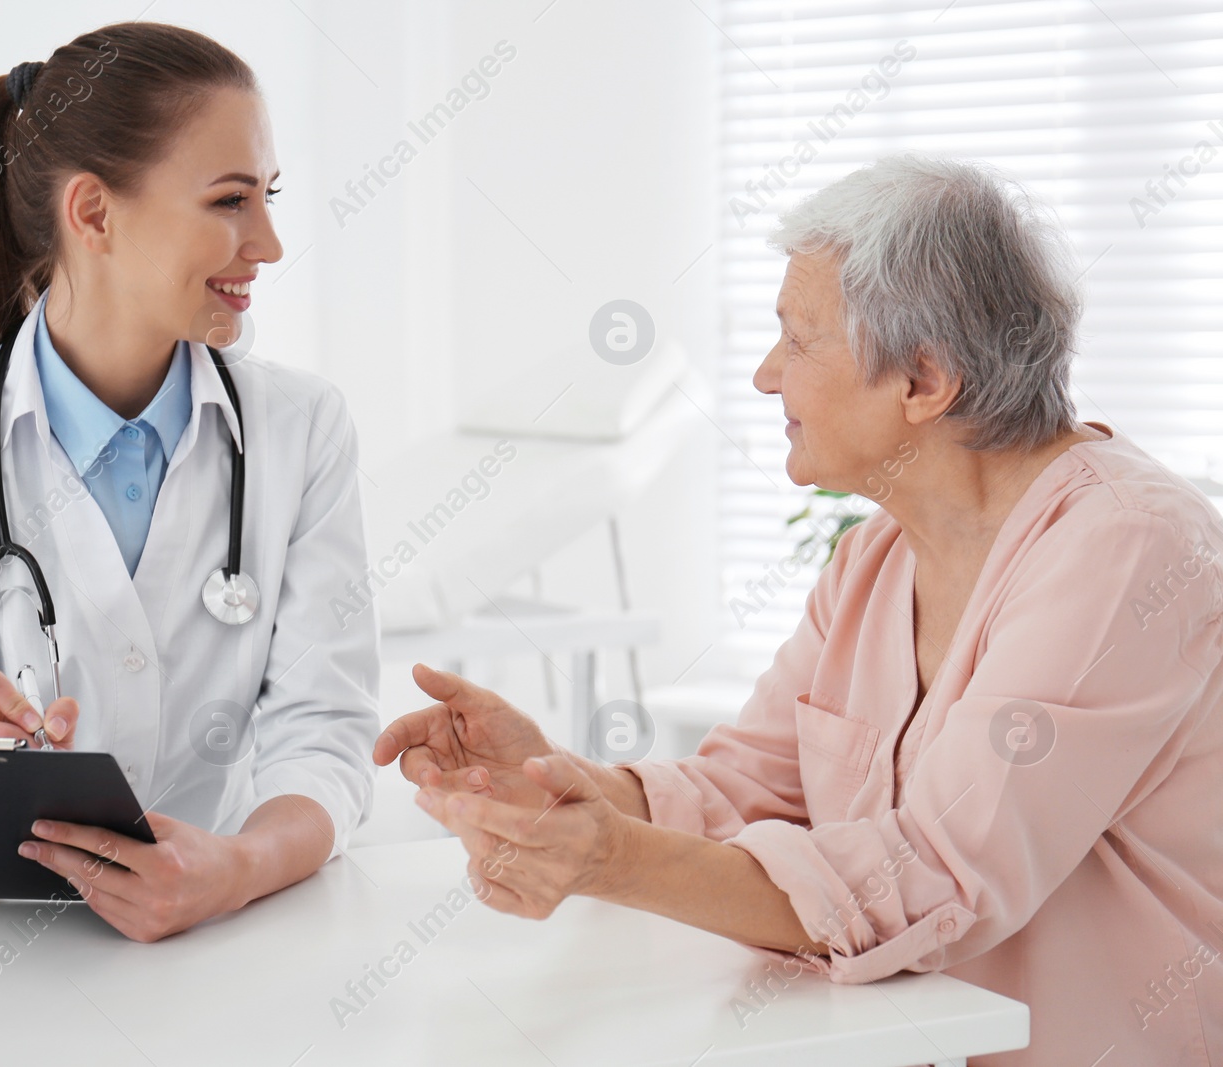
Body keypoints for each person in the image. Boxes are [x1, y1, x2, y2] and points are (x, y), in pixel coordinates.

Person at [376, 154, 1223, 1065]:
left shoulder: (1131, 547)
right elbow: (747, 788)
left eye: (798, 340)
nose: (765, 375)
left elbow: (937, 871)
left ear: (923, 381)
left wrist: (610, 859)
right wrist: (551, 776)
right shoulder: (876, 556)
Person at [0, 22, 378, 941]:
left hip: (227, 932)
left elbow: (324, 737)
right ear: (93, 213)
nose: (270, 243)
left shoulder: (303, 430)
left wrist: (235, 867)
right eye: (232, 200)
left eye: (268, 196)